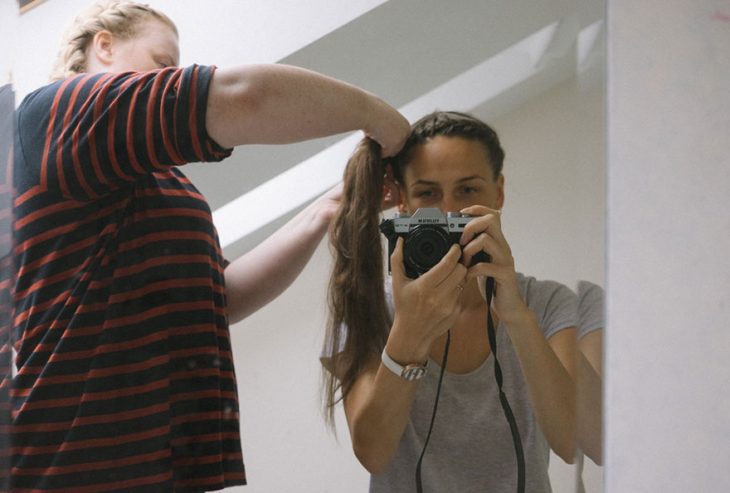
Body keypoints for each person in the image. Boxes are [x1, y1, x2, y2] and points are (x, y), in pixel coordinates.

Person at [9, 1, 409, 491]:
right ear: (104, 45)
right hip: (72, 462)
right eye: (163, 63)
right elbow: (243, 98)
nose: (172, 77)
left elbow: (222, 294)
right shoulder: (58, 110)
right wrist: (379, 116)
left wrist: (329, 207)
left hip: (160, 462)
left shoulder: (159, 183)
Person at [322, 111, 577, 492]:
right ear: (404, 203)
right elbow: (373, 452)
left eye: (468, 190)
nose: (448, 212)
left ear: (499, 192)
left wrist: (516, 317)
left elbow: (572, 442)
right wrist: (409, 330)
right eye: (428, 193)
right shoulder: (367, 307)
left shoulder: (547, 304)